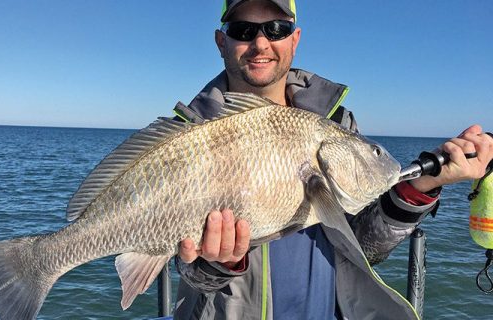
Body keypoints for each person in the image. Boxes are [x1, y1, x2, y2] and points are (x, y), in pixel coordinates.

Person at [171, 0, 493, 319]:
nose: (260, 43)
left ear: (294, 39)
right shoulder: (185, 139)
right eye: (243, 30)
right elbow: (193, 277)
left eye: (276, 29)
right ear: (221, 41)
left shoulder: (336, 125)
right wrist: (221, 259)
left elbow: (365, 245)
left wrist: (426, 180)